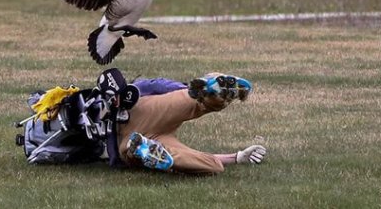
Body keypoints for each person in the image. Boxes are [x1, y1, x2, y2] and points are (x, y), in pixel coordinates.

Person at [114, 73, 267, 175]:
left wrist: (237, 157)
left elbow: (150, 86)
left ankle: (210, 90)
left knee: (214, 165)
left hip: (140, 123)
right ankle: (211, 91)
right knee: (214, 166)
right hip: (135, 133)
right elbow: (154, 85)